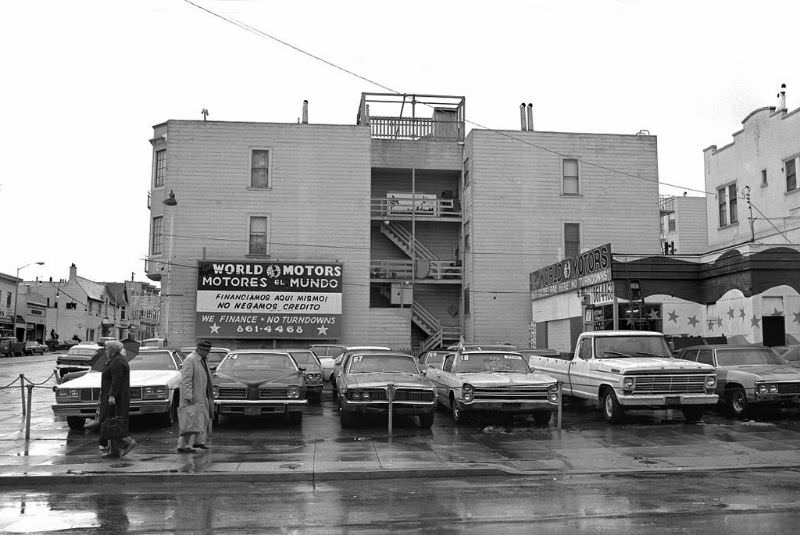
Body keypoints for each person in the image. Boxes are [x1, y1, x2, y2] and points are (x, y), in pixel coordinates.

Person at [99, 340, 136, 458]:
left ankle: (127, 442)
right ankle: (114, 450)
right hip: (115, 396)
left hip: (116, 398)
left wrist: (112, 395)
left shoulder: (117, 362)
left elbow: (116, 380)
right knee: (111, 422)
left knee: (114, 422)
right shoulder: (115, 360)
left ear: (112, 350)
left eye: (106, 349)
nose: (105, 351)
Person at [177, 340, 214, 453]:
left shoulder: (202, 360)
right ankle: (184, 445)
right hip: (193, 396)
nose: (207, 353)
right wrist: (188, 395)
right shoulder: (190, 360)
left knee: (201, 419)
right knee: (190, 420)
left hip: (202, 394)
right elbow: (186, 379)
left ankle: (199, 441)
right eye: (206, 351)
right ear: (200, 350)